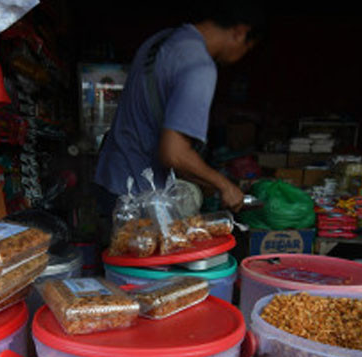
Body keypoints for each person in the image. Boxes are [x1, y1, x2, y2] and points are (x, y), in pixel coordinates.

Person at [93, 1, 265, 215]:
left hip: (110, 180)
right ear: (240, 32)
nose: (241, 55)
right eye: (246, 49)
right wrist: (225, 185)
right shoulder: (200, 67)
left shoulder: (159, 41)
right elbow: (174, 154)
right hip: (138, 196)